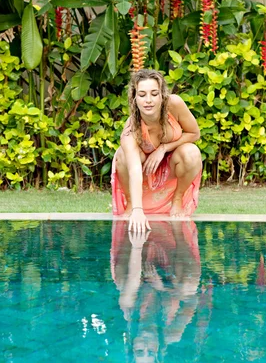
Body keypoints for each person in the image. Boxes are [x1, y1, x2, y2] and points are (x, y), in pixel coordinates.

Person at [111, 69, 202, 231]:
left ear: (162, 95)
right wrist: (138, 210)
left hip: (172, 167)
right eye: (142, 94)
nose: (148, 100)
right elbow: (134, 170)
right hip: (145, 173)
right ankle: (132, 203)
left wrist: (163, 148)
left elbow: (194, 133)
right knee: (122, 154)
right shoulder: (130, 131)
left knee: (192, 152)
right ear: (134, 98)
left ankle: (177, 199)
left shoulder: (175, 105)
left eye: (154, 94)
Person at [110, 220, 212, 362]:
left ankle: (131, 230)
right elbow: (192, 301)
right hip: (171, 263)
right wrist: (164, 288)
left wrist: (138, 245)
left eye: (140, 351)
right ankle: (178, 232)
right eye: (150, 351)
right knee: (188, 287)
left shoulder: (129, 313)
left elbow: (133, 280)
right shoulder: (172, 333)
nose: (145, 345)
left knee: (125, 287)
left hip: (137, 257)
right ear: (158, 351)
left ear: (133, 345)